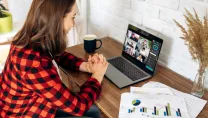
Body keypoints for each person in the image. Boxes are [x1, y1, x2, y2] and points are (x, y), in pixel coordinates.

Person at [0, 0, 108, 118]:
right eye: (73, 17)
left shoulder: (30, 38)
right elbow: (79, 107)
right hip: (26, 113)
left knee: (95, 111)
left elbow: (56, 55)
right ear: (58, 19)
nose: (73, 24)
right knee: (91, 111)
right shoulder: (34, 65)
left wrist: (85, 66)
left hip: (34, 103)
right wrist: (97, 75)